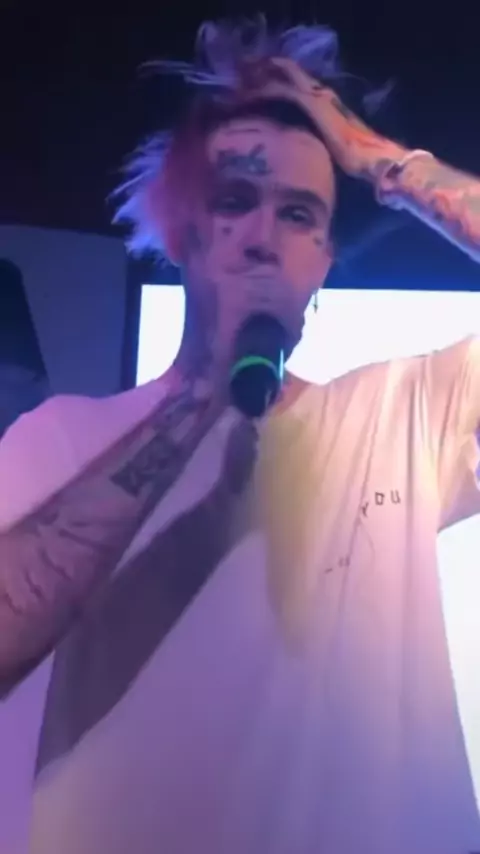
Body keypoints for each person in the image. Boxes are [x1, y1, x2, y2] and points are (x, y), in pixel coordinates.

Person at [1, 17, 480, 854]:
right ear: (182, 234)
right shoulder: (62, 438)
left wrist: (379, 160)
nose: (263, 238)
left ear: (325, 258)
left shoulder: (403, 415)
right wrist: (201, 396)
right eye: (234, 203)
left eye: (299, 214)